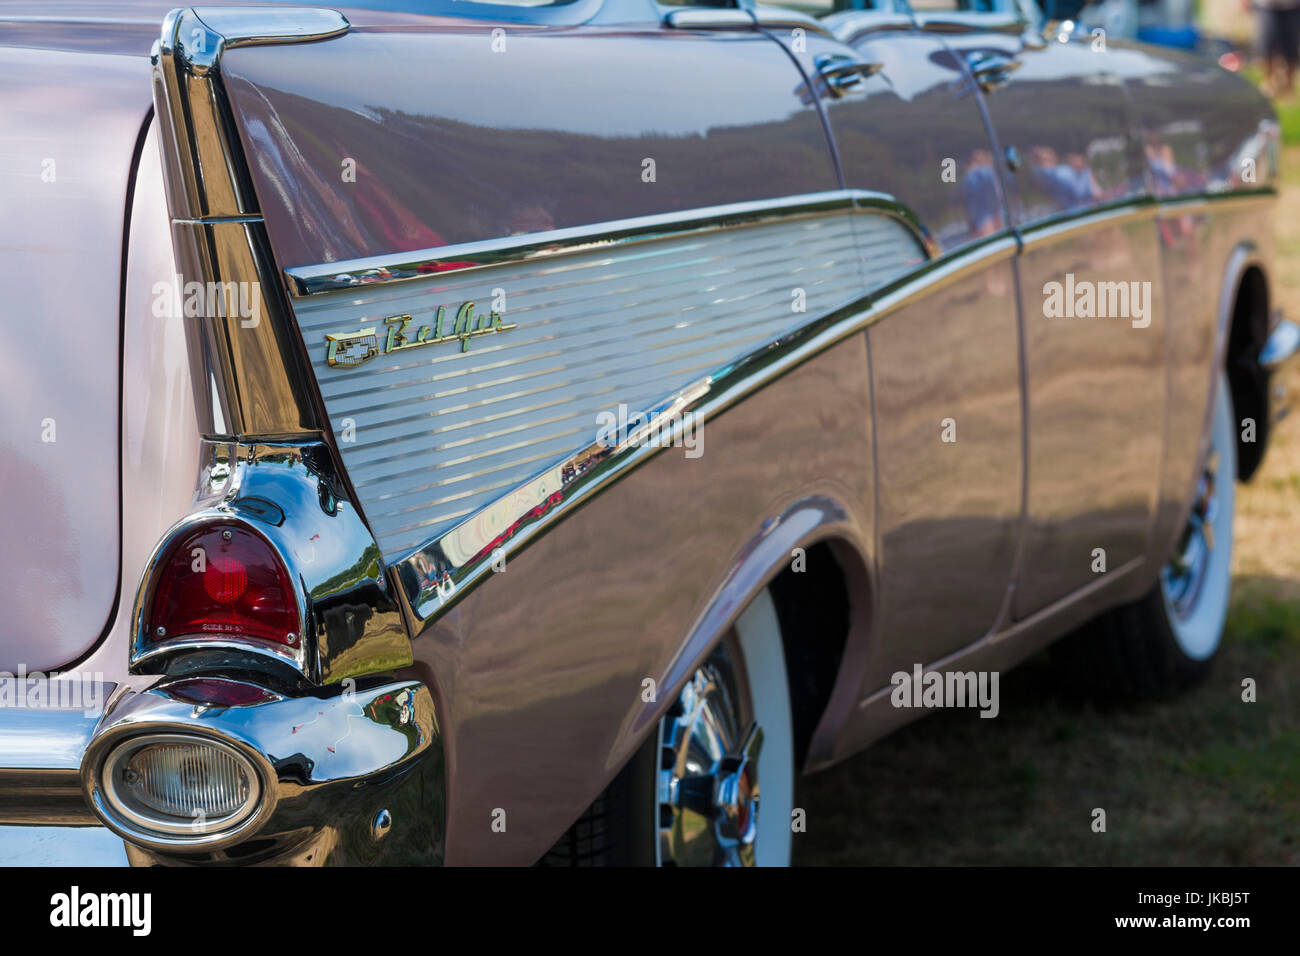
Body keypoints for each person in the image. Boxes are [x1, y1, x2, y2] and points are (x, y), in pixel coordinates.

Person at [1249, 0, 1300, 99]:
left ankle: (1288, 86)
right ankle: (1268, 82)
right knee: (1266, 46)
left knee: (1291, 48)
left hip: (1294, 5)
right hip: (1267, 5)